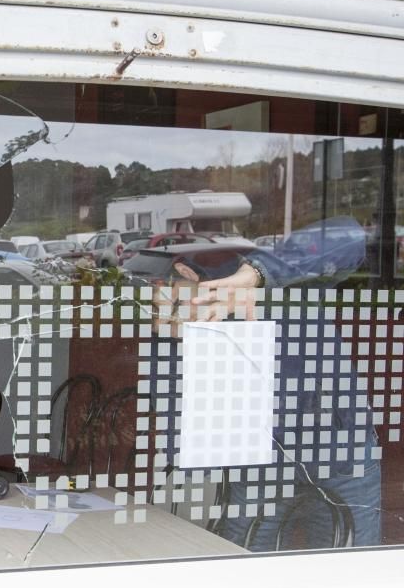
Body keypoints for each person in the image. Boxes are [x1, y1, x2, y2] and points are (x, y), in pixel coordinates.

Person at [152, 221, 381, 551]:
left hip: (340, 449)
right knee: (249, 571)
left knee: (349, 573)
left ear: (186, 271)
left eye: (164, 285)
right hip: (259, 461)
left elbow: (350, 235)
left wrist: (256, 274)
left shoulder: (281, 278)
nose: (161, 295)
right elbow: (176, 394)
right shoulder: (177, 316)